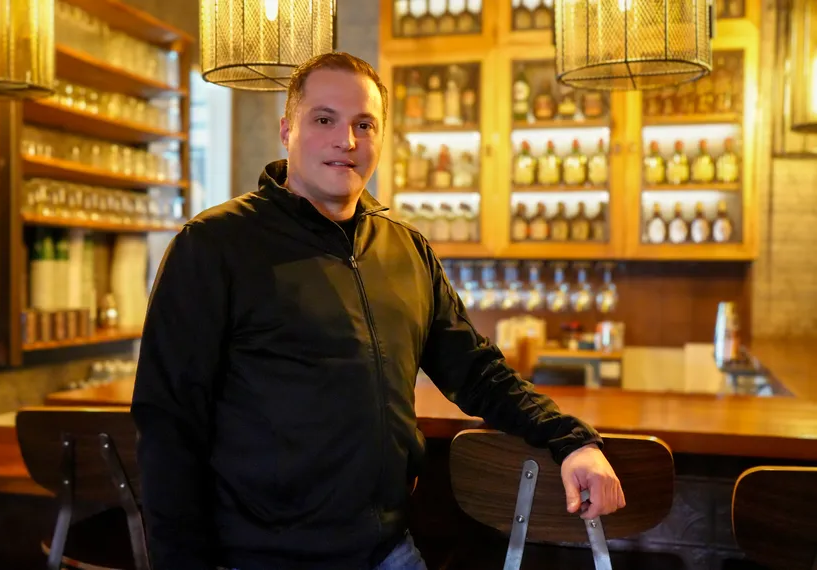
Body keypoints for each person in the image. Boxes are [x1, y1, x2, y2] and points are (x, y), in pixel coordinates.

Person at [131, 51, 626, 570]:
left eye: (364, 124)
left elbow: (477, 372)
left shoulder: (405, 249)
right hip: (260, 556)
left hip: (389, 551)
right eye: (324, 119)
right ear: (287, 130)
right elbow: (168, 425)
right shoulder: (213, 246)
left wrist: (571, 440)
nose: (346, 141)